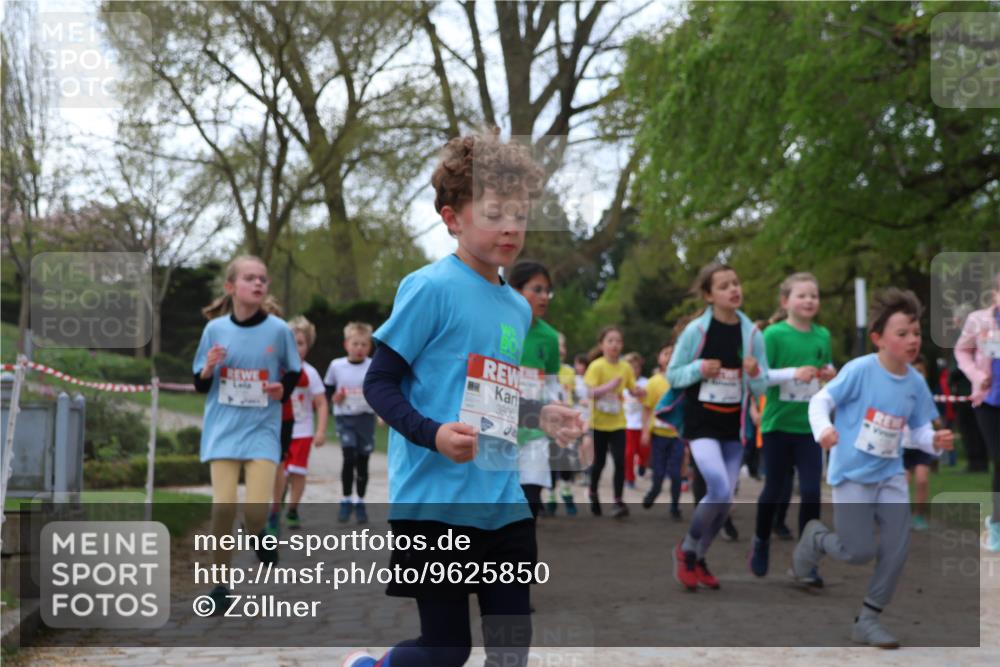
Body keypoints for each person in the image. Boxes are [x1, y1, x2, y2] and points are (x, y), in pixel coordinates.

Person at [346, 131, 583, 667]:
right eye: (495, 212)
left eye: (520, 215)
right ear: (453, 218)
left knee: (509, 651)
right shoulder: (429, 288)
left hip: (503, 501)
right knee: (446, 651)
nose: (510, 227)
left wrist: (539, 413)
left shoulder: (518, 309)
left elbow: (487, 397)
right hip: (435, 506)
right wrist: (431, 432)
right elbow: (379, 383)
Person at [793, 288, 954, 648]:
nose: (912, 340)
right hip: (852, 474)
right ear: (879, 339)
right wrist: (824, 430)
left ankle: (869, 618)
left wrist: (934, 442)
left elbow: (918, 431)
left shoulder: (915, 383)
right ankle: (816, 538)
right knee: (857, 551)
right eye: (903, 334)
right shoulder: (860, 370)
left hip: (891, 475)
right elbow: (821, 400)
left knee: (898, 546)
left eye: (916, 333)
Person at [192, 255, 301, 612]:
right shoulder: (215, 330)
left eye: (263, 279)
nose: (258, 284)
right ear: (231, 287)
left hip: (261, 430)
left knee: (255, 511)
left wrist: (280, 389)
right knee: (223, 507)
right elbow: (198, 383)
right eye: (250, 278)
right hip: (223, 431)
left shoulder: (279, 330)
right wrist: (209, 366)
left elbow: (293, 372)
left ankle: (258, 534)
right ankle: (220, 584)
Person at [668, 262, 768, 591]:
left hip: (733, 428)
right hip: (701, 424)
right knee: (720, 489)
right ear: (710, 295)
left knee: (724, 503)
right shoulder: (697, 331)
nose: (733, 290)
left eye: (736, 283)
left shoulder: (752, 334)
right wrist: (698, 368)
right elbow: (673, 374)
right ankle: (685, 551)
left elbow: (762, 387)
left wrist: (753, 374)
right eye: (724, 286)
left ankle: (696, 556)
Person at [749, 272, 834, 583]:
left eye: (814, 295)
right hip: (778, 425)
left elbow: (828, 368)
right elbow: (760, 376)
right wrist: (792, 374)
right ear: (785, 302)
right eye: (802, 295)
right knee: (774, 489)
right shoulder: (772, 336)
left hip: (810, 428)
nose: (809, 300)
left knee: (812, 492)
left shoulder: (823, 335)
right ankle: (760, 541)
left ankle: (806, 562)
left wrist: (828, 374)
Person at [508, 260, 561, 518]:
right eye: (537, 289)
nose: (544, 297)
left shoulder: (550, 337)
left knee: (530, 502)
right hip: (498, 430)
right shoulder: (497, 327)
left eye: (547, 291)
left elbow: (551, 383)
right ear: (516, 291)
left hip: (534, 431)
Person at [954, 273, 1000, 552]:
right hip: (989, 401)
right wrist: (975, 375)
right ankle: (995, 524)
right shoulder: (979, 320)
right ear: (995, 293)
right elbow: (962, 351)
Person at [268, 317, 327, 533]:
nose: (294, 347)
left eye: (300, 343)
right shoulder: (277, 369)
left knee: (298, 472)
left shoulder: (310, 373)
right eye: (290, 342)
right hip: (281, 427)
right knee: (281, 470)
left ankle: (292, 508)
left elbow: (321, 403)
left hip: (302, 430)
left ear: (307, 346)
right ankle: (277, 503)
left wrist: (320, 430)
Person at [584, 326, 646, 518]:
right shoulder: (597, 366)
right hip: (598, 423)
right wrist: (609, 386)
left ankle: (618, 501)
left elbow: (631, 388)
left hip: (618, 422)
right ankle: (593, 492)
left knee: (620, 461)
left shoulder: (625, 367)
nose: (614, 345)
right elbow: (589, 393)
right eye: (610, 341)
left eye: (618, 341)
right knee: (599, 463)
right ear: (601, 345)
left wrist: (639, 392)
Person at [324, 322, 376, 524]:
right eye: (355, 343)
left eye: (364, 344)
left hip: (365, 418)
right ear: (347, 344)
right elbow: (327, 389)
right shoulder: (337, 366)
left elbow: (379, 392)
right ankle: (345, 500)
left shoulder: (372, 365)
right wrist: (334, 398)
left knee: (363, 461)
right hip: (345, 418)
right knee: (348, 457)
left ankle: (360, 502)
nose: (359, 348)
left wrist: (381, 413)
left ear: (369, 346)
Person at [642, 343, 685, 520]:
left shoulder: (684, 380)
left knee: (676, 473)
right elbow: (647, 409)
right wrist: (645, 431)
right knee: (658, 471)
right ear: (659, 358)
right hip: (658, 434)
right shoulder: (653, 383)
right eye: (666, 353)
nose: (669, 356)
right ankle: (654, 490)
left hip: (678, 435)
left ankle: (675, 506)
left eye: (673, 353)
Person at [903, 355, 939, 532]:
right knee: (902, 482)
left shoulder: (926, 394)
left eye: (921, 371)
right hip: (903, 446)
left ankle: (918, 515)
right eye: (914, 370)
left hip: (922, 447)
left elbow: (935, 417)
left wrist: (939, 429)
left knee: (922, 480)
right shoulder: (899, 391)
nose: (918, 375)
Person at [623, 351, 650, 488]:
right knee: (628, 453)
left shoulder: (646, 382)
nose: (634, 370)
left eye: (636, 367)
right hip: (627, 424)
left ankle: (642, 463)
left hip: (642, 424)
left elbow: (650, 402)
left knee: (644, 451)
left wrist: (643, 396)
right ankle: (629, 478)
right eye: (631, 367)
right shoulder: (621, 383)